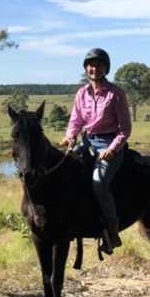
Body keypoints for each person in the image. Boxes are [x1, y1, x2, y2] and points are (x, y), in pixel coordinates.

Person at [59, 48, 132, 254]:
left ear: (106, 68)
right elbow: (76, 121)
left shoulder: (116, 93)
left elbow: (125, 129)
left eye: (99, 65)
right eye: (90, 65)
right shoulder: (82, 93)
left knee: (99, 182)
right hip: (87, 142)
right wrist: (69, 137)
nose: (94, 68)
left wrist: (112, 149)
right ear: (86, 68)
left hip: (109, 143)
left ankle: (112, 231)